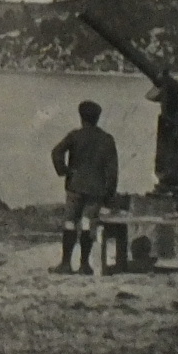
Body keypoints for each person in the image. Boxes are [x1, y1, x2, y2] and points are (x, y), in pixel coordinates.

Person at [49, 100, 119, 275]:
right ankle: (84, 265)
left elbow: (56, 152)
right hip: (96, 190)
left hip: (75, 186)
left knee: (70, 223)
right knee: (88, 224)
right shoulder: (107, 139)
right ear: (97, 118)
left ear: (81, 118)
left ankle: (66, 264)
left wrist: (64, 171)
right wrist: (109, 192)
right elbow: (112, 170)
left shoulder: (75, 136)